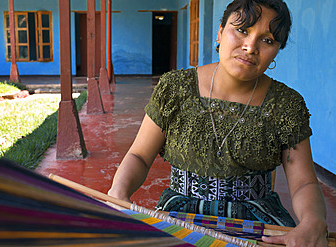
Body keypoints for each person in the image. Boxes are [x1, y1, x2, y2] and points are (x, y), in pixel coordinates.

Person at [108, 0, 328, 246]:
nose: (250, 47)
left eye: (267, 40)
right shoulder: (175, 89)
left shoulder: (286, 105)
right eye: (242, 30)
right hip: (180, 218)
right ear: (220, 32)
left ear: (277, 50)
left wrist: (312, 221)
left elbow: (304, 182)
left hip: (257, 222)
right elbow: (139, 155)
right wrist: (119, 192)